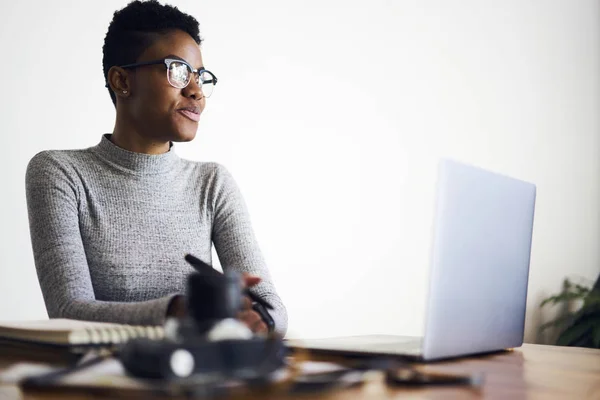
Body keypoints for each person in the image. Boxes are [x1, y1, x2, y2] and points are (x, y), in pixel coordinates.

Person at [25, 0, 287, 336]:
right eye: (177, 70)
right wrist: (182, 310)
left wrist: (257, 317)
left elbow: (272, 306)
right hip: (102, 382)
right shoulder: (60, 173)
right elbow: (68, 311)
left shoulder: (212, 183)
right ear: (122, 80)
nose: (196, 92)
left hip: (197, 381)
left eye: (200, 77)